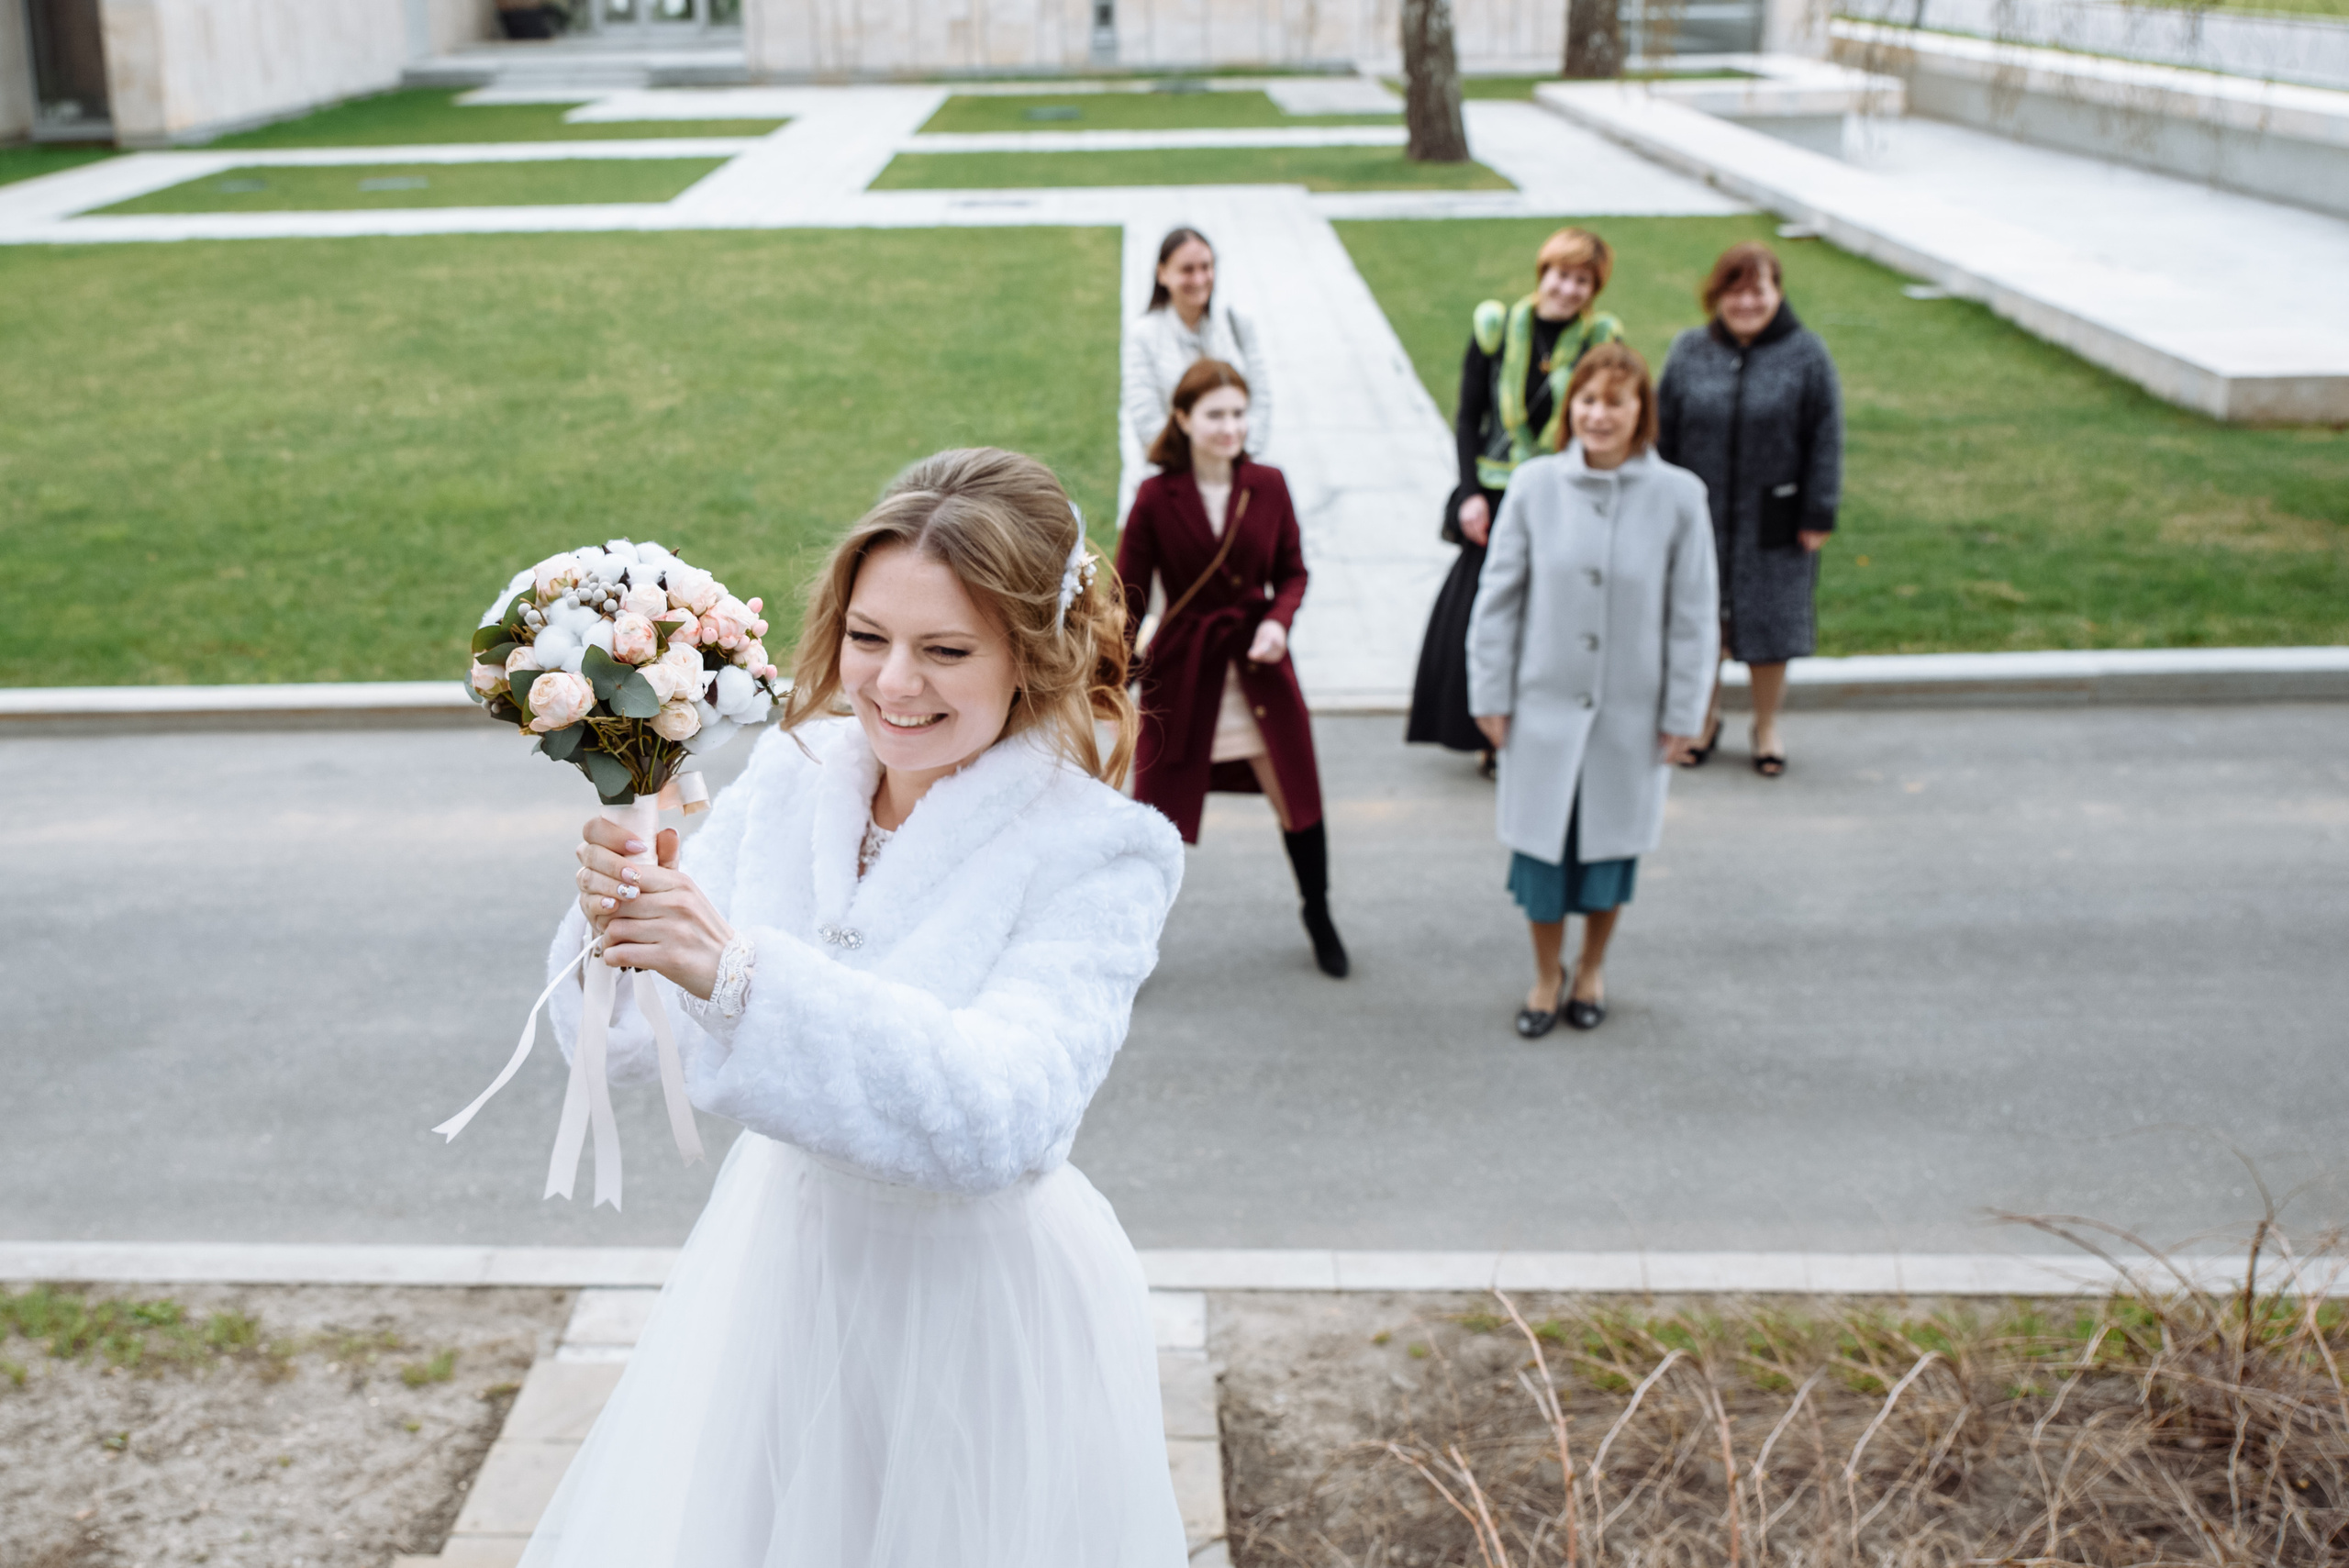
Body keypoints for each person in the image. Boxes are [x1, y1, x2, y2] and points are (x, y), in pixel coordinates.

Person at [525, 449, 1189, 1565]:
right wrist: (620, 925)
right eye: (869, 636)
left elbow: (1006, 1113)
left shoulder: (1103, 851)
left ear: (1031, 656)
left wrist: (737, 972)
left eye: (945, 650)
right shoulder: (794, 772)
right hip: (778, 1267)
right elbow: (631, 1050)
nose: (891, 683)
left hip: (976, 1307)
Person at [1467, 344, 1718, 1037]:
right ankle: (1547, 974)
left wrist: (1684, 713)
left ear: (1642, 413)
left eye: (1616, 401)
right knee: (1541, 857)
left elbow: (1694, 616)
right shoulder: (1534, 485)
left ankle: (1594, 966)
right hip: (1541, 707)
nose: (1598, 415)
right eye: (1587, 399)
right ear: (1568, 407)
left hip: (1631, 716)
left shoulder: (1680, 497)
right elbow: (1499, 599)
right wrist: (1489, 693)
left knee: (1609, 854)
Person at [1116, 358, 1347, 980]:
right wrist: (1106, 676)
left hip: (1258, 669)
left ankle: (1319, 914)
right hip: (1185, 672)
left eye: (1239, 413)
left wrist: (1278, 621)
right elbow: (1127, 597)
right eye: (1216, 414)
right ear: (1185, 419)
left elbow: (1293, 571)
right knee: (1154, 820)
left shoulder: (1268, 484)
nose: (1230, 426)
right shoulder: (1155, 496)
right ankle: (1133, 942)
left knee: (1298, 798)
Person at [1408, 227, 1624, 774]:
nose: (1568, 289)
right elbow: (1468, 419)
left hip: (1563, 493)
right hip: (1498, 491)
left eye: (1582, 280)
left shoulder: (1602, 339)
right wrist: (1469, 493)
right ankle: (1483, 729)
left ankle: (1548, 731)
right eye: (1560, 275)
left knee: (1552, 613)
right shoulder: (1497, 328)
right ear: (1542, 273)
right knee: (1484, 613)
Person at [1655, 239, 1844, 776]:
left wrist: (1818, 512)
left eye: (1757, 291)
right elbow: (1662, 428)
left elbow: (1825, 436)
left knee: (1769, 628)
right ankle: (1701, 719)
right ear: (1716, 296)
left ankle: (1766, 726)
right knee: (1701, 622)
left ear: (1777, 293)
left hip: (1776, 517)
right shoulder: (1689, 350)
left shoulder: (1806, 354)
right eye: (1734, 292)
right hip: (1701, 514)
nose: (1746, 303)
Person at [1120, 227, 1275, 486]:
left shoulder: (1237, 323)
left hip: (1235, 474)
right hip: (1173, 480)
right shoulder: (1144, 335)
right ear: (1162, 274)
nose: (1200, 278)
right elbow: (1145, 418)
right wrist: (1200, 471)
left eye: (1206, 267)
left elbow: (1261, 397)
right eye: (1187, 270)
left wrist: (1238, 456)